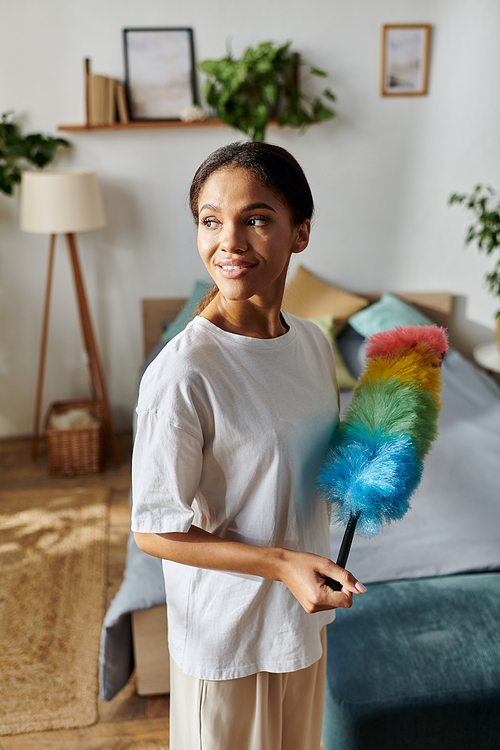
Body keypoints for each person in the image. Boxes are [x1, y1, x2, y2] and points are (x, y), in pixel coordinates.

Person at [131, 141, 366, 750]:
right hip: (227, 640)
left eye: (256, 219)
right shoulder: (182, 374)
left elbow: (298, 470)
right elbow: (153, 529)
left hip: (300, 625)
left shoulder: (313, 344)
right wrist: (283, 563)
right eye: (211, 221)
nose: (228, 241)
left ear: (300, 233)